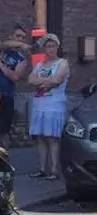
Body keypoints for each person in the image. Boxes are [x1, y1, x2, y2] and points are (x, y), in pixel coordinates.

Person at [27, 33, 69, 180]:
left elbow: (57, 80)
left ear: (57, 47)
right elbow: (30, 79)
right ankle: (42, 169)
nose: (50, 49)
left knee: (52, 138)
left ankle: (54, 170)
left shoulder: (62, 63)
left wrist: (41, 81)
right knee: (40, 137)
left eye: (53, 46)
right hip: (39, 104)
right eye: (47, 46)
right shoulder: (39, 65)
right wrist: (46, 81)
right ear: (44, 49)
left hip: (54, 105)